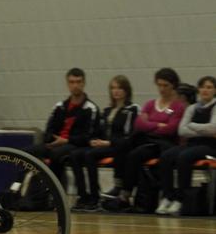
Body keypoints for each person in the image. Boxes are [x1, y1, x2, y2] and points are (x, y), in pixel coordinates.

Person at [102, 67, 186, 212]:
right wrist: (158, 124)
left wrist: (151, 125)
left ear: (173, 86)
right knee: (123, 145)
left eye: (165, 85)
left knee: (135, 155)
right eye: (159, 85)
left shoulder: (178, 106)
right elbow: (139, 124)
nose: (162, 89)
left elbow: (171, 129)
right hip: (146, 139)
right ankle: (119, 184)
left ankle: (125, 195)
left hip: (163, 143)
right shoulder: (150, 104)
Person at [69, 75, 138, 211]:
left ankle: (95, 196)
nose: (116, 91)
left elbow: (129, 137)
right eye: (113, 88)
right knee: (75, 154)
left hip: (118, 146)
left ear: (126, 90)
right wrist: (93, 140)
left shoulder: (132, 109)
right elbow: (98, 131)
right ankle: (83, 195)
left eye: (119, 88)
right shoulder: (106, 111)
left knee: (89, 155)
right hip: (103, 145)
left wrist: (108, 143)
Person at [25, 68, 99, 191]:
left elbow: (89, 137)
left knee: (56, 154)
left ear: (84, 83)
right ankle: (27, 190)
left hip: (75, 145)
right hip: (56, 143)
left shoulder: (91, 108)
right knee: (26, 153)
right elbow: (49, 129)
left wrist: (65, 140)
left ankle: (54, 192)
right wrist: (50, 140)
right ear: (67, 84)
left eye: (78, 82)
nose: (75, 85)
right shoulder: (59, 106)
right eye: (72, 82)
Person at [156, 75, 216, 216]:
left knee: (184, 157)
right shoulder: (193, 108)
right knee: (166, 156)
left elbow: (213, 128)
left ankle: (181, 199)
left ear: (214, 90)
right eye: (202, 87)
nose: (205, 90)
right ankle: (168, 196)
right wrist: (202, 130)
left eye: (209, 87)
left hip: (210, 147)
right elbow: (182, 130)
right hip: (192, 144)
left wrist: (193, 126)